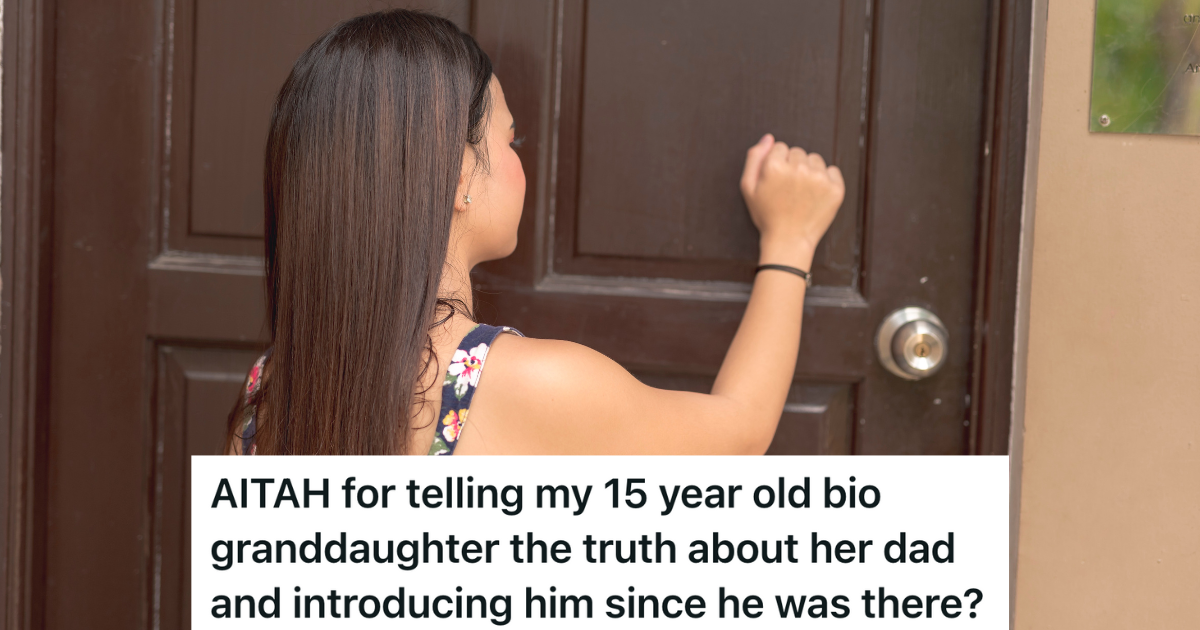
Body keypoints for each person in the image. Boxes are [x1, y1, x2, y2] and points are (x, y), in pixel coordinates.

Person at [227, 8, 844, 457]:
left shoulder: (267, 393)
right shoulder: (526, 385)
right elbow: (737, 434)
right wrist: (789, 242)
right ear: (462, 174)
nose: (521, 157)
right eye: (510, 138)